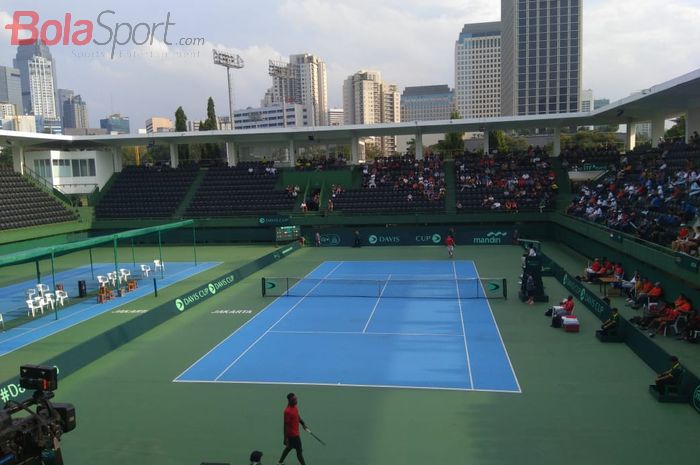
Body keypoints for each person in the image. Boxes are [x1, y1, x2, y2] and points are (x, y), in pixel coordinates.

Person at [277, 393, 309, 465]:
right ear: (289, 401)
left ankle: (280, 462)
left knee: (289, 447)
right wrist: (285, 438)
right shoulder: (287, 411)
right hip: (293, 435)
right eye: (294, 400)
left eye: (296, 399)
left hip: (295, 433)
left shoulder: (295, 407)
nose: (296, 401)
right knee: (299, 451)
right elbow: (285, 425)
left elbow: (297, 416)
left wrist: (303, 424)